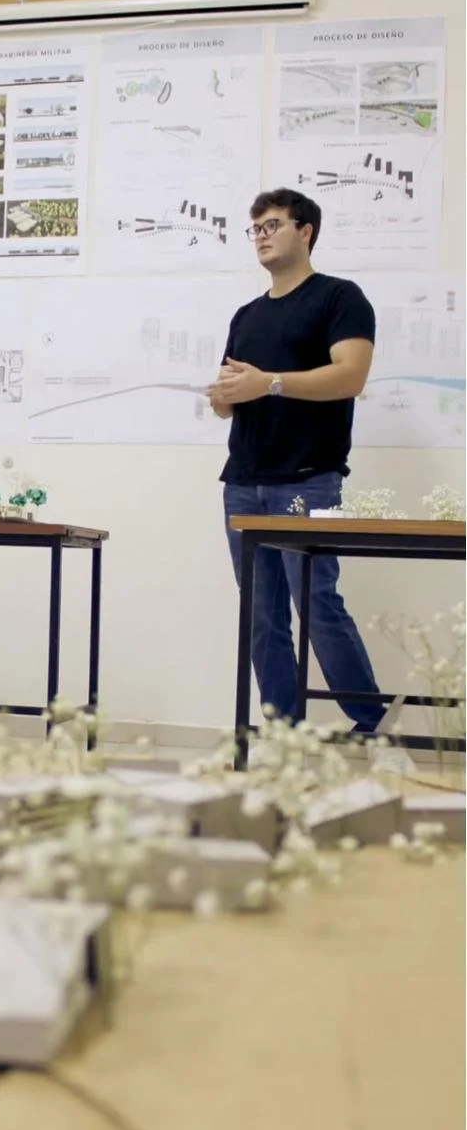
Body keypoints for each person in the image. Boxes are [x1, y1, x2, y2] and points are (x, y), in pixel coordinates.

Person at [207, 187, 385, 733]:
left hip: (308, 480)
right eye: (255, 228)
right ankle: (283, 729)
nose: (261, 236)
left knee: (318, 603)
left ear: (305, 231)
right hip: (244, 482)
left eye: (273, 225)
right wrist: (222, 395)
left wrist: (271, 384)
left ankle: (368, 721)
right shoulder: (246, 315)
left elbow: (351, 376)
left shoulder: (339, 297)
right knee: (262, 613)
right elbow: (228, 400)